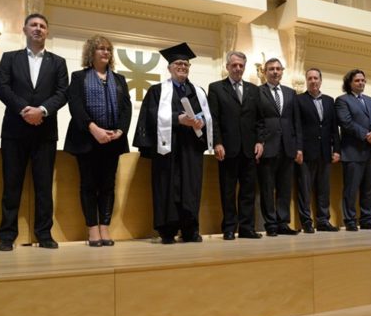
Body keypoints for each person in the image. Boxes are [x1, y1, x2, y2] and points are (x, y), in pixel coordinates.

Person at [0, 13, 69, 251]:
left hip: (45, 133)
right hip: (14, 132)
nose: (38, 29)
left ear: (47, 32)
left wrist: (43, 111)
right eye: (33, 25)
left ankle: (44, 234)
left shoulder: (58, 62)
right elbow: (2, 88)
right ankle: (7, 236)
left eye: (42, 26)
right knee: (11, 186)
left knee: (43, 187)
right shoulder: (9, 58)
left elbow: (62, 93)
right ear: (24, 29)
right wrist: (24, 110)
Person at [133, 42, 212, 244]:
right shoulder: (158, 91)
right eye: (178, 64)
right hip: (168, 149)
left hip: (191, 149)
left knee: (190, 188)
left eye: (186, 65)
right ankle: (167, 231)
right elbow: (150, 116)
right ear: (169, 68)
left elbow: (207, 117)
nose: (182, 67)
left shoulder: (199, 92)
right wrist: (178, 119)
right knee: (166, 187)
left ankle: (190, 230)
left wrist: (200, 121)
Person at [64, 35, 131, 246]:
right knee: (88, 185)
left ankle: (105, 227)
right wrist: (94, 129)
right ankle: (92, 229)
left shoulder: (119, 80)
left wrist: (120, 130)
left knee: (108, 186)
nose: (105, 52)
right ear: (91, 52)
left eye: (108, 49)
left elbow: (126, 108)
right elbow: (76, 106)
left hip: (113, 140)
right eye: (100, 48)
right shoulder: (79, 77)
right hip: (87, 139)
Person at [208, 51, 265, 240]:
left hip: (249, 149)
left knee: (248, 191)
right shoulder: (216, 88)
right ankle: (229, 228)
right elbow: (213, 119)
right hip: (227, 149)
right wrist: (217, 142)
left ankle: (247, 228)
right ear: (227, 67)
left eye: (241, 65)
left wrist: (260, 141)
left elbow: (260, 120)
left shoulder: (253, 89)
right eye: (234, 65)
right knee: (228, 191)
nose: (238, 68)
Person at [256, 58, 302, 236]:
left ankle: (283, 223)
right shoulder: (258, 92)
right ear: (265, 72)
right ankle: (271, 224)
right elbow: (257, 120)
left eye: (278, 69)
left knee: (285, 188)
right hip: (268, 147)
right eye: (271, 69)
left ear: (282, 71)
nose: (275, 72)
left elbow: (296, 121)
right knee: (267, 188)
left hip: (288, 148)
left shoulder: (291, 93)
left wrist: (299, 147)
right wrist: (259, 141)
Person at [334, 69, 371, 231]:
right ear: (349, 83)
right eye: (357, 81)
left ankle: (367, 219)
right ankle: (350, 220)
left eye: (363, 80)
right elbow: (346, 123)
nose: (361, 83)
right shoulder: (342, 100)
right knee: (351, 189)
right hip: (353, 152)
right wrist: (367, 135)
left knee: (370, 189)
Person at [295, 68, 340, 233]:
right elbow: (297, 127)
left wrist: (336, 149)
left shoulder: (329, 101)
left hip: (325, 152)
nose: (313, 81)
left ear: (321, 81)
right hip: (306, 153)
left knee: (324, 189)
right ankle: (306, 221)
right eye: (310, 78)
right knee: (305, 189)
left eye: (316, 78)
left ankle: (323, 221)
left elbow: (334, 128)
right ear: (307, 81)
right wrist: (298, 149)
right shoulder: (299, 100)